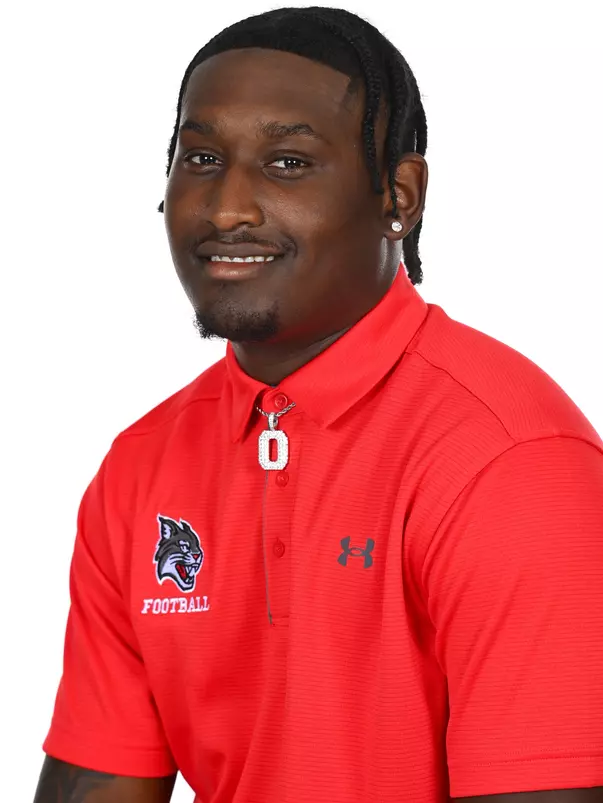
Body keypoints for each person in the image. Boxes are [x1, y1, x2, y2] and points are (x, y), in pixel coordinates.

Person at [34, 6, 603, 803]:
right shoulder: (140, 469)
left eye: (287, 163)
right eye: (200, 157)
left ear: (397, 197)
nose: (226, 206)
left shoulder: (509, 463)